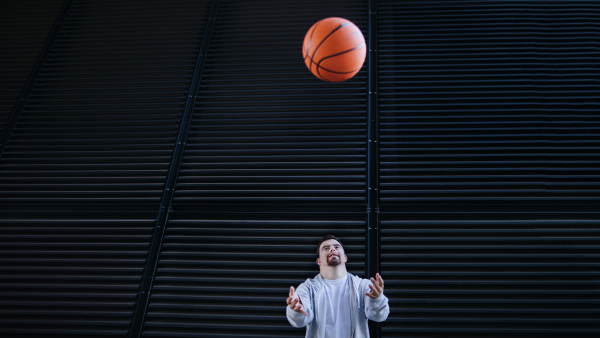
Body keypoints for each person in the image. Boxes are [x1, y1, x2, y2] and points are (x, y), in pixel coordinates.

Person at [286, 235, 389, 338]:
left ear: (345, 258)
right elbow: (299, 322)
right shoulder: (308, 288)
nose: (332, 249)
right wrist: (296, 311)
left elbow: (379, 316)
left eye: (336, 247)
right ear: (319, 261)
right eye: (326, 248)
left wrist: (377, 299)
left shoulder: (363, 286)